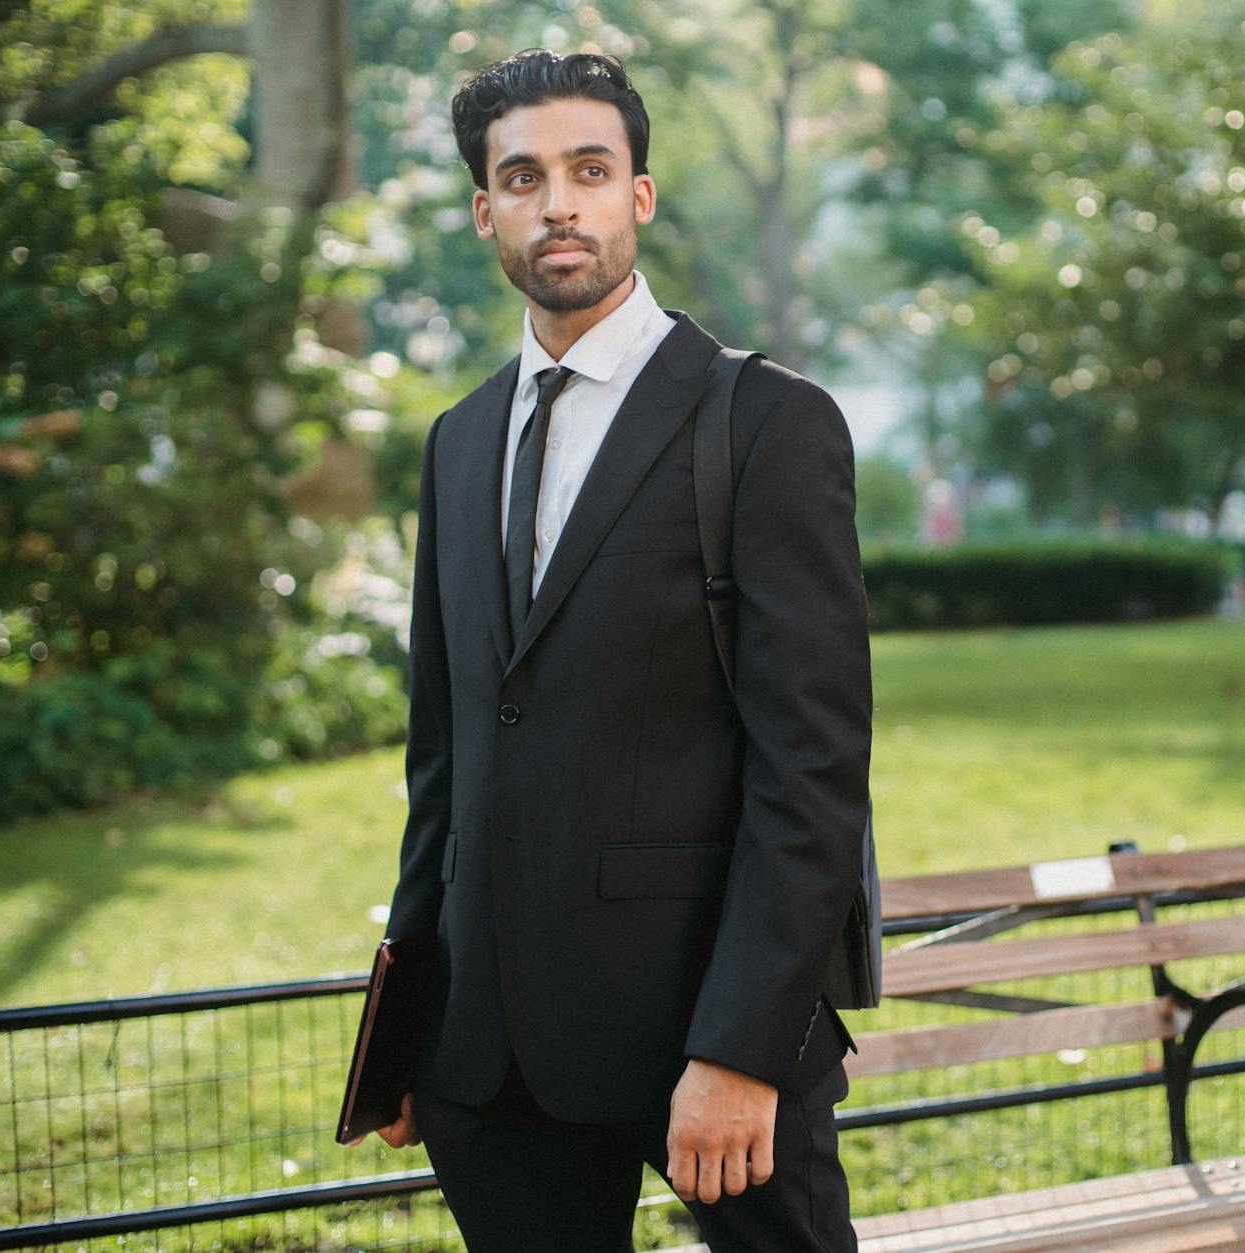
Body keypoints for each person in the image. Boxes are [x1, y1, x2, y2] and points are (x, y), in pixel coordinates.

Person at [346, 48, 872, 1253]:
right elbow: (444, 757)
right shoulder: (458, 440)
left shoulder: (766, 422)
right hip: (487, 1054)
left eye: (589, 170)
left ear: (638, 193)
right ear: (484, 211)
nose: (558, 203)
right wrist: (412, 1017)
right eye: (521, 177)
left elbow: (811, 769)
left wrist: (741, 1047)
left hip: (703, 1030)